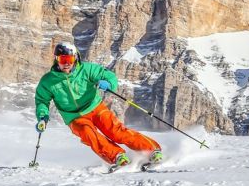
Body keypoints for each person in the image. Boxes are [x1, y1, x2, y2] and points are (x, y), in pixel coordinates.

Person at [34, 41, 163, 170]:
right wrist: (42, 117)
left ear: (76, 58)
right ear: (57, 60)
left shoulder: (86, 69)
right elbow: (42, 101)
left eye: (69, 59)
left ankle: (152, 150)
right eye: (62, 59)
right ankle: (117, 157)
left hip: (95, 108)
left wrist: (107, 83)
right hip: (74, 117)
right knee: (88, 133)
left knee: (116, 131)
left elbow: (108, 75)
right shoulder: (48, 81)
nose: (66, 63)